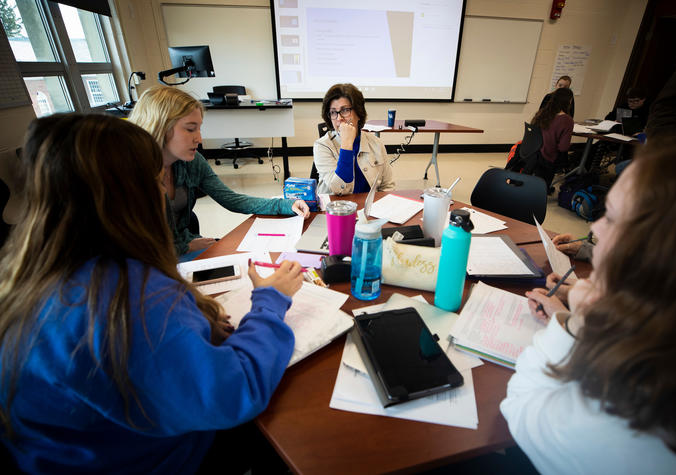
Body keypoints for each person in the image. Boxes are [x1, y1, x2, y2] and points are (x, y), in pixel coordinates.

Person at [0, 114, 305, 473]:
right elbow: (234, 391)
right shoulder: (133, 298)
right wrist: (270, 301)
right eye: (153, 179)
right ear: (129, 193)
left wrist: (194, 320)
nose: (162, 189)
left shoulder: (29, 277)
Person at [502, 130, 676, 474]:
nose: (596, 228)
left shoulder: (623, 420)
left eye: (613, 218)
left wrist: (574, 325)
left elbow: (522, 408)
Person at [129, 86, 309, 260]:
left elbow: (231, 199)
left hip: (185, 247)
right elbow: (131, 247)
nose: (199, 138)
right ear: (161, 126)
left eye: (199, 128)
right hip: (152, 261)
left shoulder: (192, 162)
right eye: (190, 129)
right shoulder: (131, 173)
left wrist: (285, 205)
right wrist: (184, 247)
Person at [313, 83, 395, 195]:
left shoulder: (376, 143)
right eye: (333, 112)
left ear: (359, 112)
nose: (339, 118)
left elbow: (388, 186)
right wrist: (347, 143)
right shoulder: (322, 146)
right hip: (337, 209)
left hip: (369, 208)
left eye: (345, 110)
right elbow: (338, 190)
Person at [529, 87, 574, 189]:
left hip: (531, 153)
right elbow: (563, 148)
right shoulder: (567, 120)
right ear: (568, 102)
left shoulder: (542, 113)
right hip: (547, 158)